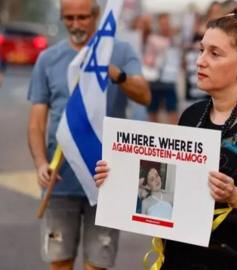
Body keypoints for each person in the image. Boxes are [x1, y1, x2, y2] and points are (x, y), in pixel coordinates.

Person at [95, 1, 237, 269]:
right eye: (202, 50)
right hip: (181, 259)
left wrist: (236, 197)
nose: (200, 61)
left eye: (215, 53)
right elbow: (167, 190)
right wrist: (118, 178)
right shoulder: (192, 114)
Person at [27, 0, 150, 269]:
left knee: (97, 264)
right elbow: (37, 122)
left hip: (106, 179)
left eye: (82, 17)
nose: (75, 24)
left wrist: (114, 73)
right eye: (68, 18)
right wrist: (39, 164)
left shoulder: (121, 51)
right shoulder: (48, 59)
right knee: (59, 262)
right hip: (60, 181)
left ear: (96, 15)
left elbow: (144, 94)